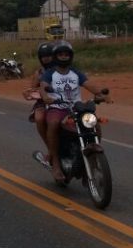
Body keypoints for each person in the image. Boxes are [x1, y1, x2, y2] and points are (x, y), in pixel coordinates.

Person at [38, 40, 110, 183]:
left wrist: (102, 95)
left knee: (94, 124)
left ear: (70, 56)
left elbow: (89, 85)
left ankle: (92, 161)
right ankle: (56, 164)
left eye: (66, 54)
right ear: (56, 56)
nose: (64, 57)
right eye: (61, 54)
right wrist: (46, 97)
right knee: (53, 123)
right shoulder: (50, 74)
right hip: (57, 108)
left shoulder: (76, 73)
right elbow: (43, 87)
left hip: (76, 108)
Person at [25, 42, 55, 166]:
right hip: (44, 102)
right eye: (43, 56)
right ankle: (51, 149)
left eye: (49, 55)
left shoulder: (63, 69)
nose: (46, 58)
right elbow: (32, 89)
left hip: (65, 101)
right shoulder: (39, 73)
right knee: (39, 118)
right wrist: (34, 92)